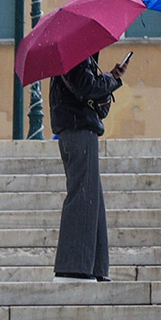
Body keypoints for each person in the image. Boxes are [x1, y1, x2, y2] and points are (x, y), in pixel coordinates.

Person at [49, 52, 127, 282]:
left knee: (92, 196)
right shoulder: (75, 56)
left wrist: (111, 77)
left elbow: (87, 87)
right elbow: (85, 87)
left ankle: (94, 266)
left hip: (79, 127)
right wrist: (111, 80)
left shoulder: (78, 58)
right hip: (77, 127)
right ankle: (73, 266)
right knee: (83, 194)